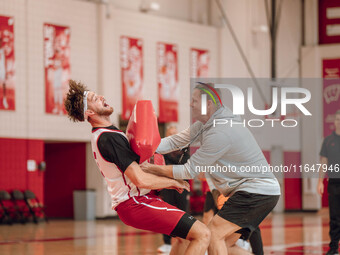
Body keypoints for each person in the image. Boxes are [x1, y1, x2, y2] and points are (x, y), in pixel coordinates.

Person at [64, 80, 211, 255]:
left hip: (136, 201)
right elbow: (139, 178)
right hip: (135, 203)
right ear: (89, 112)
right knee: (203, 234)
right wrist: (172, 182)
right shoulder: (109, 138)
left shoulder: (106, 134)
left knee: (181, 238)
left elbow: (141, 168)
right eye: (95, 98)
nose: (102, 97)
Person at [141, 82, 281, 255]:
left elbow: (188, 171)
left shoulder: (220, 131)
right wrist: (145, 146)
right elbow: (175, 141)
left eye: (194, 100)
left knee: (213, 235)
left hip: (256, 191)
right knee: (225, 244)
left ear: (207, 104)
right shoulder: (205, 124)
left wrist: (150, 169)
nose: (190, 104)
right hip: (255, 191)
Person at [158, 125, 190, 254]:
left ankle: (185, 239)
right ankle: (167, 243)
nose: (173, 136)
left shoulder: (185, 150)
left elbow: (187, 166)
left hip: (182, 185)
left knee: (184, 213)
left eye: (174, 134)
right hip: (166, 186)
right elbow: (161, 167)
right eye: (170, 134)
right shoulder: (161, 150)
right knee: (166, 214)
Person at [317, 110, 340, 255]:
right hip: (334, 183)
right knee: (334, 218)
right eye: (337, 119)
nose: (338, 121)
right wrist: (320, 182)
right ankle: (333, 248)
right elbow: (323, 162)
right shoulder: (328, 140)